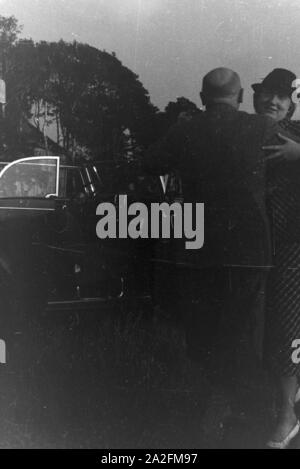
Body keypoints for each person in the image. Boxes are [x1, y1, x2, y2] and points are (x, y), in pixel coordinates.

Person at [144, 67, 285, 440]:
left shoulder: (185, 128)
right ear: (240, 97)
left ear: (203, 96)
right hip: (252, 251)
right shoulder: (261, 129)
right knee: (246, 334)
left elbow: (148, 164)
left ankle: (219, 405)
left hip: (200, 248)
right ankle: (254, 414)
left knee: (204, 334)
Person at [252, 68, 300, 449]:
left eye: (282, 97)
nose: (273, 101)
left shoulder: (297, 134)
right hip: (250, 249)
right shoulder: (241, 132)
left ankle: (287, 415)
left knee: (287, 331)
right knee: (254, 330)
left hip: (292, 248)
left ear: (291, 105)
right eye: (267, 94)